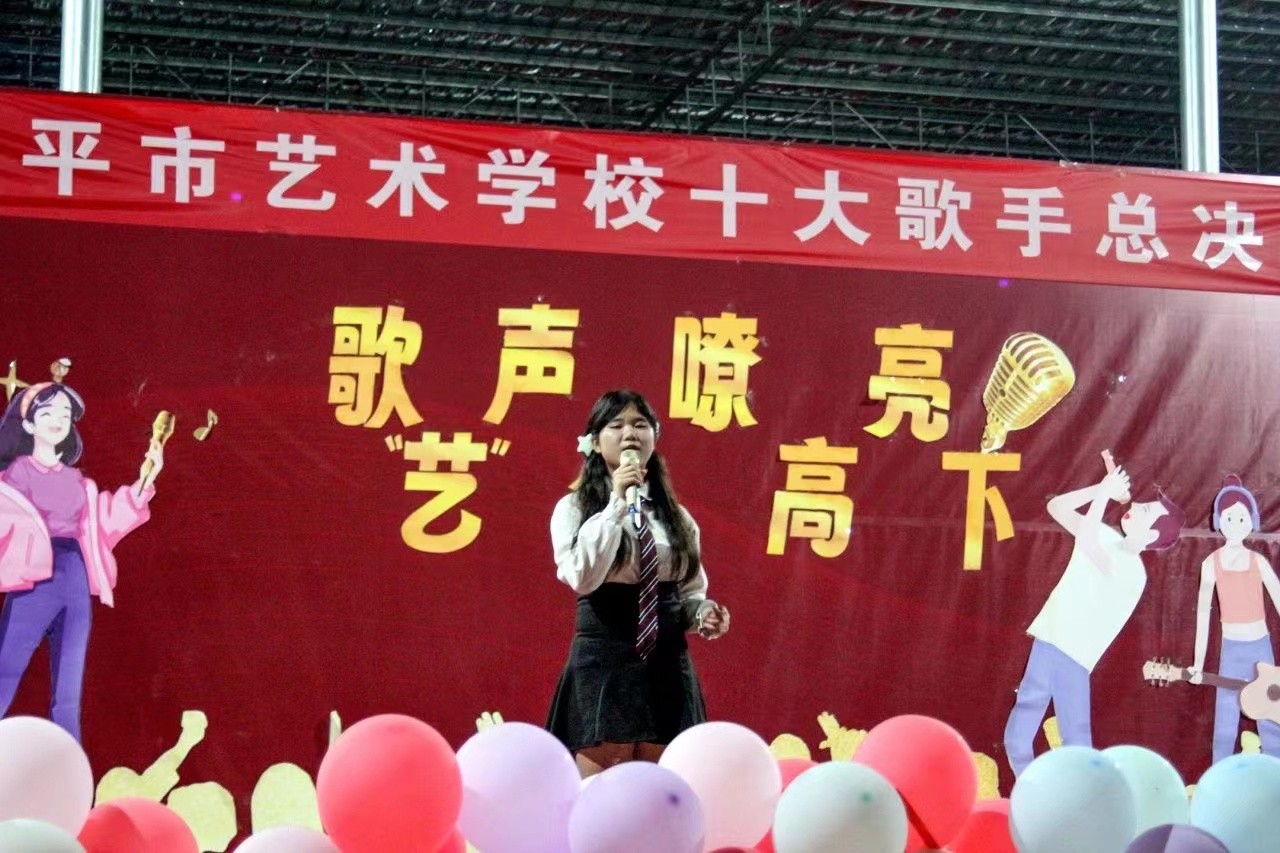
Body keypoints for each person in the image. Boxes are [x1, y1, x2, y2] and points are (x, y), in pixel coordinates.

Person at [546, 389, 729, 778]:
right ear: (595, 443)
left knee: (661, 784)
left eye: (640, 425)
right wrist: (616, 502)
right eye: (616, 425)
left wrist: (703, 613)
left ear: (654, 437)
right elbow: (582, 576)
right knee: (603, 788)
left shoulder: (676, 517)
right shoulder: (575, 508)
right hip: (605, 656)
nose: (630, 433)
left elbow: (688, 591)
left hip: (666, 660)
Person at [0, 378, 163, 741]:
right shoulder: (14, 476)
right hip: (33, 578)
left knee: (68, 692)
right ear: (29, 424)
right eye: (48, 412)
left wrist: (143, 482)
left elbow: (104, 523)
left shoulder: (78, 481)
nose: (58, 420)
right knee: (5, 673)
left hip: (75, 576)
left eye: (65, 414)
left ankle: (70, 761)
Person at [1003, 460, 1184, 775]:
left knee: (1076, 741)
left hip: (1073, 656)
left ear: (1152, 533)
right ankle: (1030, 793)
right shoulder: (1106, 535)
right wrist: (1100, 489)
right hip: (1049, 638)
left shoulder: (1133, 572)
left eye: (1145, 510)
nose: (1135, 506)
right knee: (1020, 736)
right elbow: (1057, 507)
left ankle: (1083, 797)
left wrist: (1104, 494)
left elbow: (1086, 542)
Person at [1189, 476, 1280, 762]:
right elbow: (1203, 616)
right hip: (1231, 650)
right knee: (1225, 722)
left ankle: (1274, 775)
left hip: (1260, 647)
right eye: (1229, 517)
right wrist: (1198, 664)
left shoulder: (1258, 561)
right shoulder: (1210, 564)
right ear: (1219, 520)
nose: (1236, 524)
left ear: (1252, 520)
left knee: (1271, 718)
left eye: (1242, 518)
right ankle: (1220, 778)